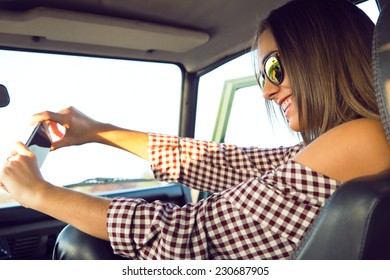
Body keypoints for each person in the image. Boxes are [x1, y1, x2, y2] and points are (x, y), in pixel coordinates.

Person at [1, 0, 390, 260]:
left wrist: (38, 193)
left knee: (79, 243)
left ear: (322, 56)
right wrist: (97, 131)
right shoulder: (348, 143)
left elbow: (189, 233)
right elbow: (229, 164)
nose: (269, 91)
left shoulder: (360, 138)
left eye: (275, 68)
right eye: (263, 77)